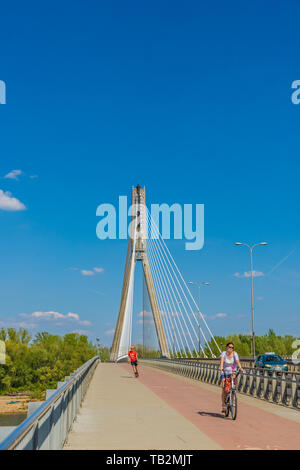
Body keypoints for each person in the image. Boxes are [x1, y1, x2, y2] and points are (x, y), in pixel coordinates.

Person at [219, 342, 244, 413]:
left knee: (234, 386)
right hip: (224, 371)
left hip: (232, 371)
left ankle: (232, 400)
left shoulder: (235, 354)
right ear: (227, 347)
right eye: (230, 347)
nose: (231, 348)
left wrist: (241, 368)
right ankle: (223, 405)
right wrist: (221, 367)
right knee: (224, 388)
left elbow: (237, 362)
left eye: (232, 347)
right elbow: (221, 362)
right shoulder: (224, 353)